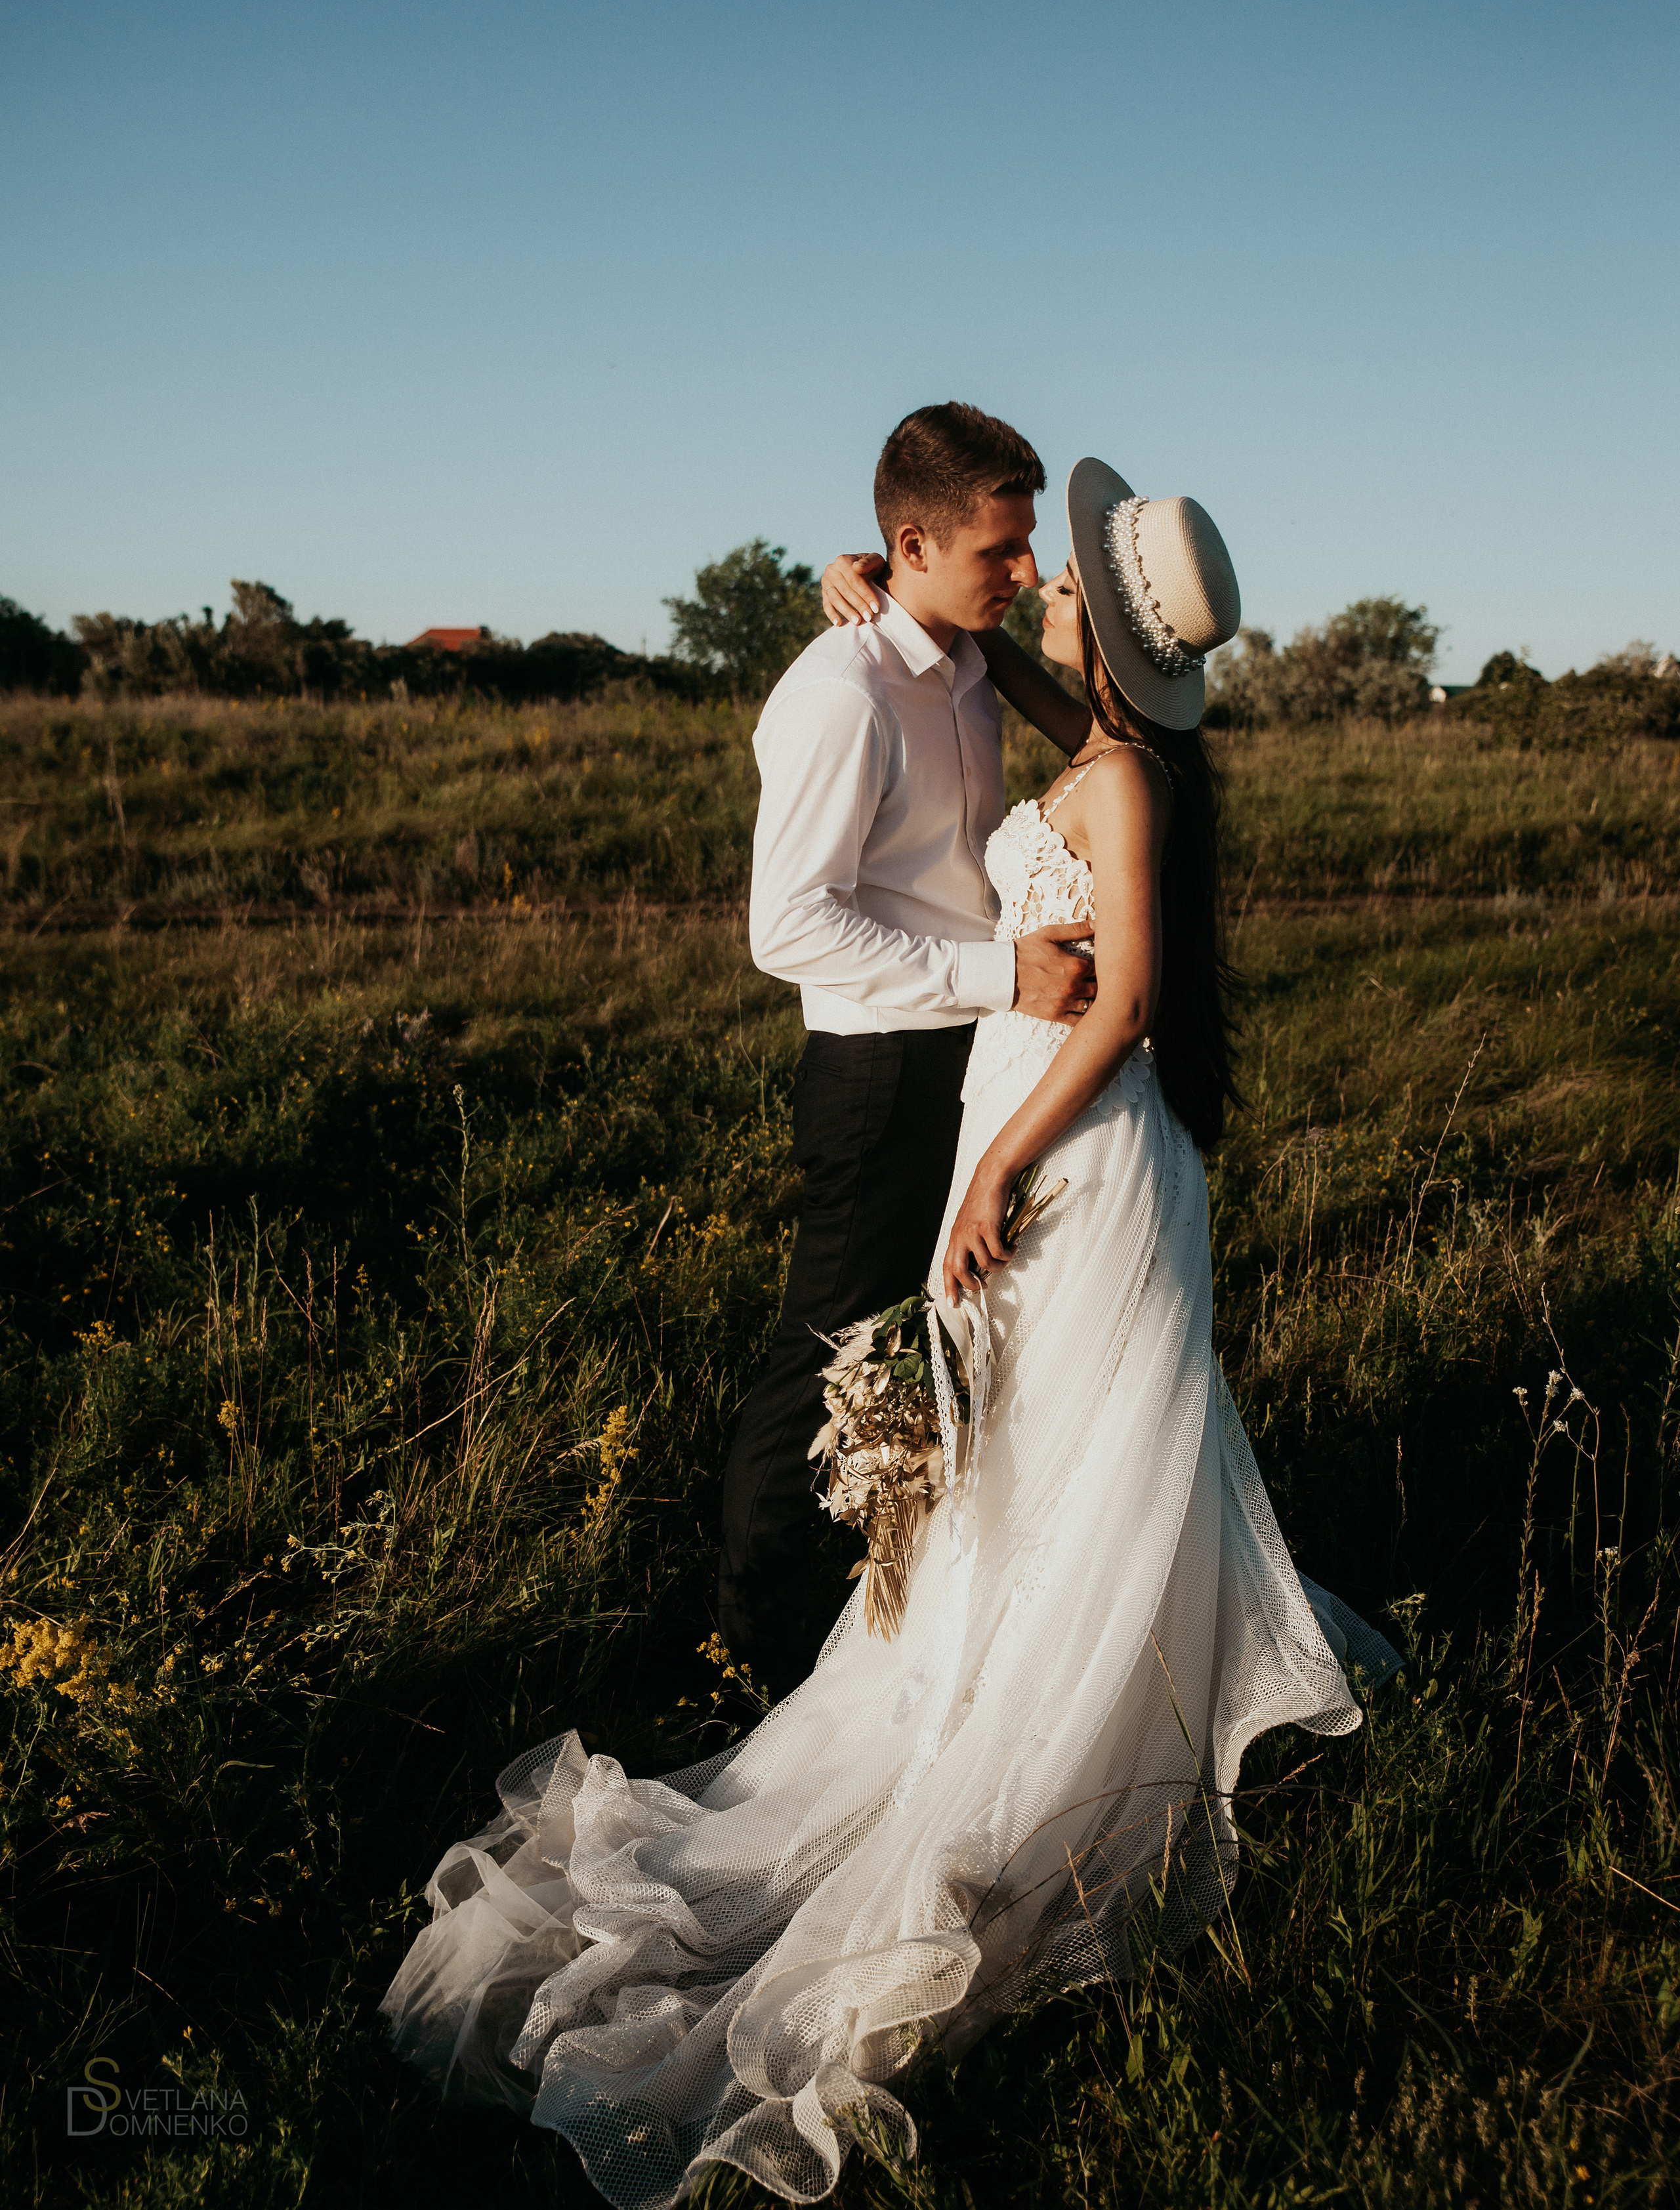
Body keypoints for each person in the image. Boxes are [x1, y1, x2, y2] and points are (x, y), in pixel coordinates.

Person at [380, 453, 1396, 2210]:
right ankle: (991, 1663)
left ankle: (1054, 1729)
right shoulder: (1088, 736)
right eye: (1020, 568)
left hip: (1069, 1140)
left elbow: (1129, 996)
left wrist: (997, 1152)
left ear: (1099, 616)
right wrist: (873, 579)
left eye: (1054, 576)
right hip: (1036, 1125)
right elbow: (984, 654)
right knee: (1034, 1452)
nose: (1036, 586)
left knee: (1081, 1455)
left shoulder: (1123, 784)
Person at [721, 401, 1102, 1701]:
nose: (1023, 570)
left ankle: (877, 1623)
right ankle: (754, 1641)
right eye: (998, 549)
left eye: (1024, 545)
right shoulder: (842, 692)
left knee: (928, 1350)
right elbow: (787, 926)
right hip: (880, 1072)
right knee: (827, 1352)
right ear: (909, 543)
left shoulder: (964, 662)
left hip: (974, 1060)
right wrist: (1000, 970)